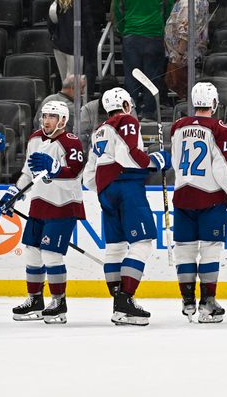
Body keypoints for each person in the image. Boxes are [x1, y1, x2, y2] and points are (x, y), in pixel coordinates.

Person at [82, 87, 170, 325]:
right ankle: (126, 300)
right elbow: (127, 155)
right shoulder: (127, 120)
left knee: (115, 247)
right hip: (127, 187)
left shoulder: (99, 130)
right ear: (126, 104)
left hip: (105, 191)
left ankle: (118, 302)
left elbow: (89, 178)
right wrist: (155, 161)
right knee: (141, 244)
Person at [169, 82, 227, 322]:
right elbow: (224, 165)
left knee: (185, 250)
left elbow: (174, 161)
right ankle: (207, 303)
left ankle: (188, 300)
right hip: (210, 197)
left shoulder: (177, 127)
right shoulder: (219, 128)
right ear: (213, 103)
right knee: (210, 250)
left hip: (182, 195)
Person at [1, 101, 85, 324]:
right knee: (32, 252)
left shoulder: (71, 142)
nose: (46, 120)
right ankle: (35, 300)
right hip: (39, 204)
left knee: (51, 254)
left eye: (52, 116)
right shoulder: (35, 138)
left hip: (64, 205)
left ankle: (59, 301)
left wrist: (55, 169)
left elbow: (75, 176)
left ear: (63, 120)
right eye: (45, 116)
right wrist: (14, 192)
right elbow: (28, 173)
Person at [113, 0, 173, 121]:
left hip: (131, 35)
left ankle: (131, 111)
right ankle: (148, 112)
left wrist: (124, 28)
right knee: (152, 75)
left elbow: (118, 7)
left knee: (131, 75)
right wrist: (161, 25)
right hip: (154, 35)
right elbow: (168, 7)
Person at [164, 0, 209, 100]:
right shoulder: (189, 0)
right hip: (184, 56)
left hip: (184, 57)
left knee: (185, 90)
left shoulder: (188, 2)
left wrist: (179, 53)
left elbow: (186, 32)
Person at [48, 0, 96, 85]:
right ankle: (72, 103)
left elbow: (51, 23)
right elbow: (87, 25)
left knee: (65, 81)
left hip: (59, 44)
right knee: (74, 84)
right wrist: (91, 48)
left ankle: (65, 102)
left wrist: (56, 36)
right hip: (75, 46)